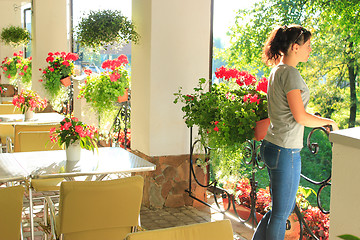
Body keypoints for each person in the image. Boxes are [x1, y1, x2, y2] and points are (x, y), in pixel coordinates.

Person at [252, 24, 339, 240]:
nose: (310, 49)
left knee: (278, 210)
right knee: (281, 214)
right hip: (285, 151)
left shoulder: (276, 70)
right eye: (308, 45)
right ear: (294, 47)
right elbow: (300, 116)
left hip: (271, 146)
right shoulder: (290, 74)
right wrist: (328, 121)